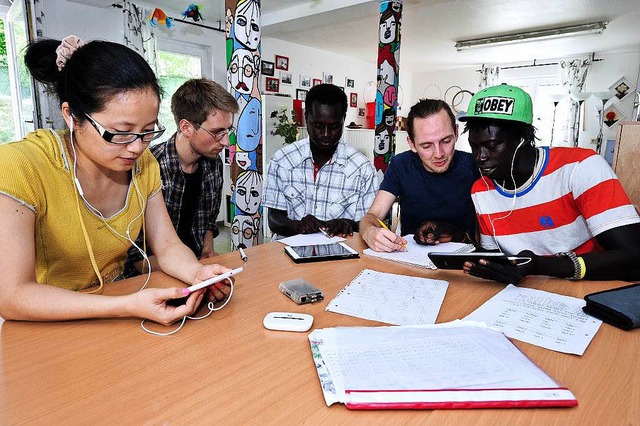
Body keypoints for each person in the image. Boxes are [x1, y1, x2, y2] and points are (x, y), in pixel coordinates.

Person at [0, 36, 231, 324]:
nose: (136, 147)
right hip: (46, 322)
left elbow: (168, 246)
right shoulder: (22, 165)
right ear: (71, 116)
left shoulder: (143, 165)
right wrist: (125, 305)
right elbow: (13, 296)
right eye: (120, 132)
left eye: (148, 131)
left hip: (120, 303)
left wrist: (198, 273)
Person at [459, 83, 640, 283]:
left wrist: (541, 266)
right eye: (473, 147)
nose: (479, 157)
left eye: (491, 145)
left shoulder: (581, 168)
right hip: (524, 296)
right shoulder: (481, 190)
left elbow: (635, 258)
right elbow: (495, 261)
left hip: (588, 288)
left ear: (523, 138)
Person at [127, 78, 238, 274]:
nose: (226, 142)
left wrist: (207, 251)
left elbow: (209, 219)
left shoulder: (214, 163)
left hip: (194, 268)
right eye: (216, 133)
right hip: (150, 274)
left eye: (227, 131)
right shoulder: (147, 166)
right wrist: (189, 269)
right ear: (186, 127)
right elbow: (133, 252)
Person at [360, 99, 479, 252]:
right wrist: (369, 232)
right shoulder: (400, 165)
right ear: (411, 144)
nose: (439, 154)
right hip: (411, 260)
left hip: (464, 262)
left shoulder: (474, 166)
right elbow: (373, 215)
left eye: (446, 141)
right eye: (427, 146)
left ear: (456, 133)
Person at [262, 84, 377, 238]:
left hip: (342, 256)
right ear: (306, 118)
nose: (325, 134)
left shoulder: (362, 169)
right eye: (318, 125)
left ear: (343, 120)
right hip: (288, 255)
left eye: (334, 126)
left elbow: (370, 223)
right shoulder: (282, 161)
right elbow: (274, 219)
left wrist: (349, 224)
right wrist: (296, 226)